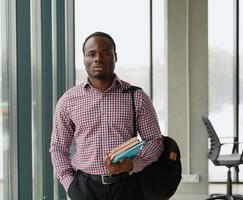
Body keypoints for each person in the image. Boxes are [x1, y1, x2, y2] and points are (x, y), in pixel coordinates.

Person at [50, 31, 163, 200]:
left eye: (105, 53)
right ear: (84, 59)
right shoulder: (68, 100)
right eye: (91, 54)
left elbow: (155, 142)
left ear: (115, 57)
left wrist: (133, 164)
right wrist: (71, 185)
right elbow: (58, 147)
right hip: (84, 188)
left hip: (127, 187)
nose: (98, 58)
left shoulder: (136, 97)